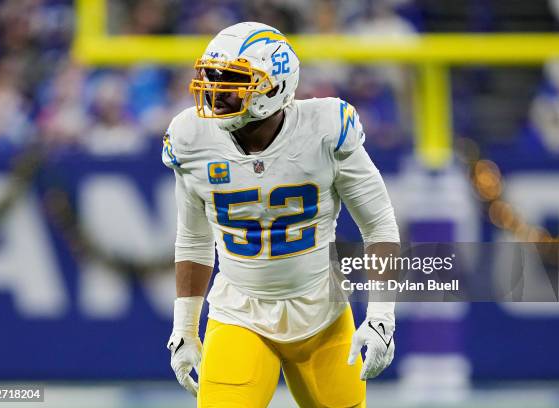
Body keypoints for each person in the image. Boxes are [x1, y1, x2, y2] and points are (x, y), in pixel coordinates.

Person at [163, 22, 400, 407]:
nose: (215, 88)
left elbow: (379, 225)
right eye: (211, 74)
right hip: (239, 311)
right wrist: (184, 327)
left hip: (322, 313)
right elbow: (194, 238)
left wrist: (381, 316)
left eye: (232, 78)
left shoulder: (325, 129)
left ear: (275, 86)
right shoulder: (191, 138)